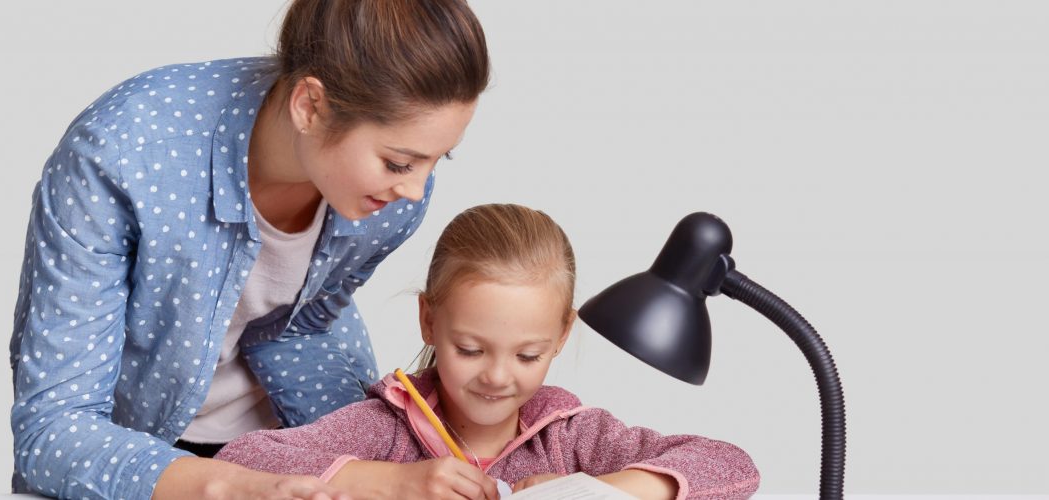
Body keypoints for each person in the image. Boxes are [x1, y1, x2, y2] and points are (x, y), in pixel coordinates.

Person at [8, 0, 489, 498]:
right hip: (142, 465)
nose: (416, 190)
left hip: (293, 452)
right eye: (397, 162)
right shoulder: (124, 152)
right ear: (309, 106)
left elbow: (301, 329)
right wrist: (244, 487)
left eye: (438, 158)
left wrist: (374, 459)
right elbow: (54, 431)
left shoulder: (394, 200)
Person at [215, 204, 760, 500]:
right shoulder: (384, 430)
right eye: (471, 349)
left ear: (563, 336)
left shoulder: (572, 438)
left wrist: (601, 491)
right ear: (429, 320)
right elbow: (240, 463)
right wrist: (392, 483)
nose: (498, 377)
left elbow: (733, 468)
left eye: (528, 356)